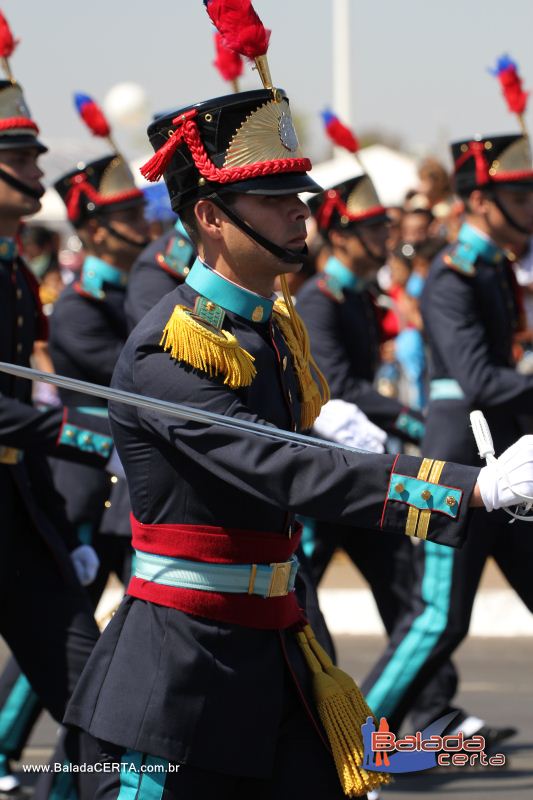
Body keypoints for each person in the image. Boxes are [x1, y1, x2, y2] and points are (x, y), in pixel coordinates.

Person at [62, 80, 533, 798]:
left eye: (297, 195)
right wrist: (467, 485)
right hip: (179, 675)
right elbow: (284, 467)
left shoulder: (268, 327)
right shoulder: (171, 348)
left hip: (277, 649)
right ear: (211, 216)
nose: (299, 211)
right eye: (274, 199)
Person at [362, 130, 533, 745]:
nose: (532, 205)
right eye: (521, 194)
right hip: (454, 471)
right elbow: (481, 380)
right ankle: (349, 748)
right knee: (438, 621)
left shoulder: (490, 270)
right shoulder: (453, 277)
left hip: (506, 470)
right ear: (481, 202)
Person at [0, 57, 123, 799]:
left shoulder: (13, 270)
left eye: (35, 154)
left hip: (19, 515)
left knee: (92, 691)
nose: (36, 167)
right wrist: (87, 436)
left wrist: (57, 532)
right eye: (18, 158)